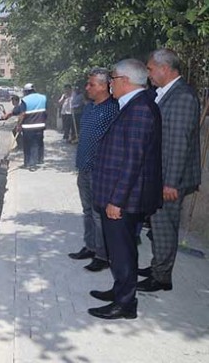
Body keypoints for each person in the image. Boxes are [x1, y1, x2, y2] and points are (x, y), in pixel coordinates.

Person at [89, 59, 162, 320]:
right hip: (122, 195)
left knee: (122, 249)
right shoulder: (133, 105)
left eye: (113, 78)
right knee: (123, 248)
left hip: (124, 199)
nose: (110, 83)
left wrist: (116, 201)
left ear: (126, 81)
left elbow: (133, 159)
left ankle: (126, 304)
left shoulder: (140, 109)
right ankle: (121, 289)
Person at [139, 49, 201, 292]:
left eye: (151, 69)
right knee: (157, 225)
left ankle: (161, 277)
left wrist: (170, 183)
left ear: (165, 68)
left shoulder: (181, 97)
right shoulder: (165, 94)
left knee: (164, 226)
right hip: (163, 174)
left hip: (170, 178)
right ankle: (158, 265)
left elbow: (177, 143)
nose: (149, 74)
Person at [68, 68, 119, 272]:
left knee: (99, 214)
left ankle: (103, 255)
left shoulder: (113, 109)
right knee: (87, 211)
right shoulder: (89, 108)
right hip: (84, 168)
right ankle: (90, 246)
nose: (87, 88)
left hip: (100, 171)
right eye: (87, 84)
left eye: (91, 84)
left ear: (105, 85)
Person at [17, 83, 47, 171]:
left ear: (26, 91)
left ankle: (28, 163)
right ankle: (38, 160)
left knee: (28, 145)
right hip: (40, 126)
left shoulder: (25, 100)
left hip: (28, 127)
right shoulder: (43, 98)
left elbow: (22, 114)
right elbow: (46, 111)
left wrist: (19, 125)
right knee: (38, 143)